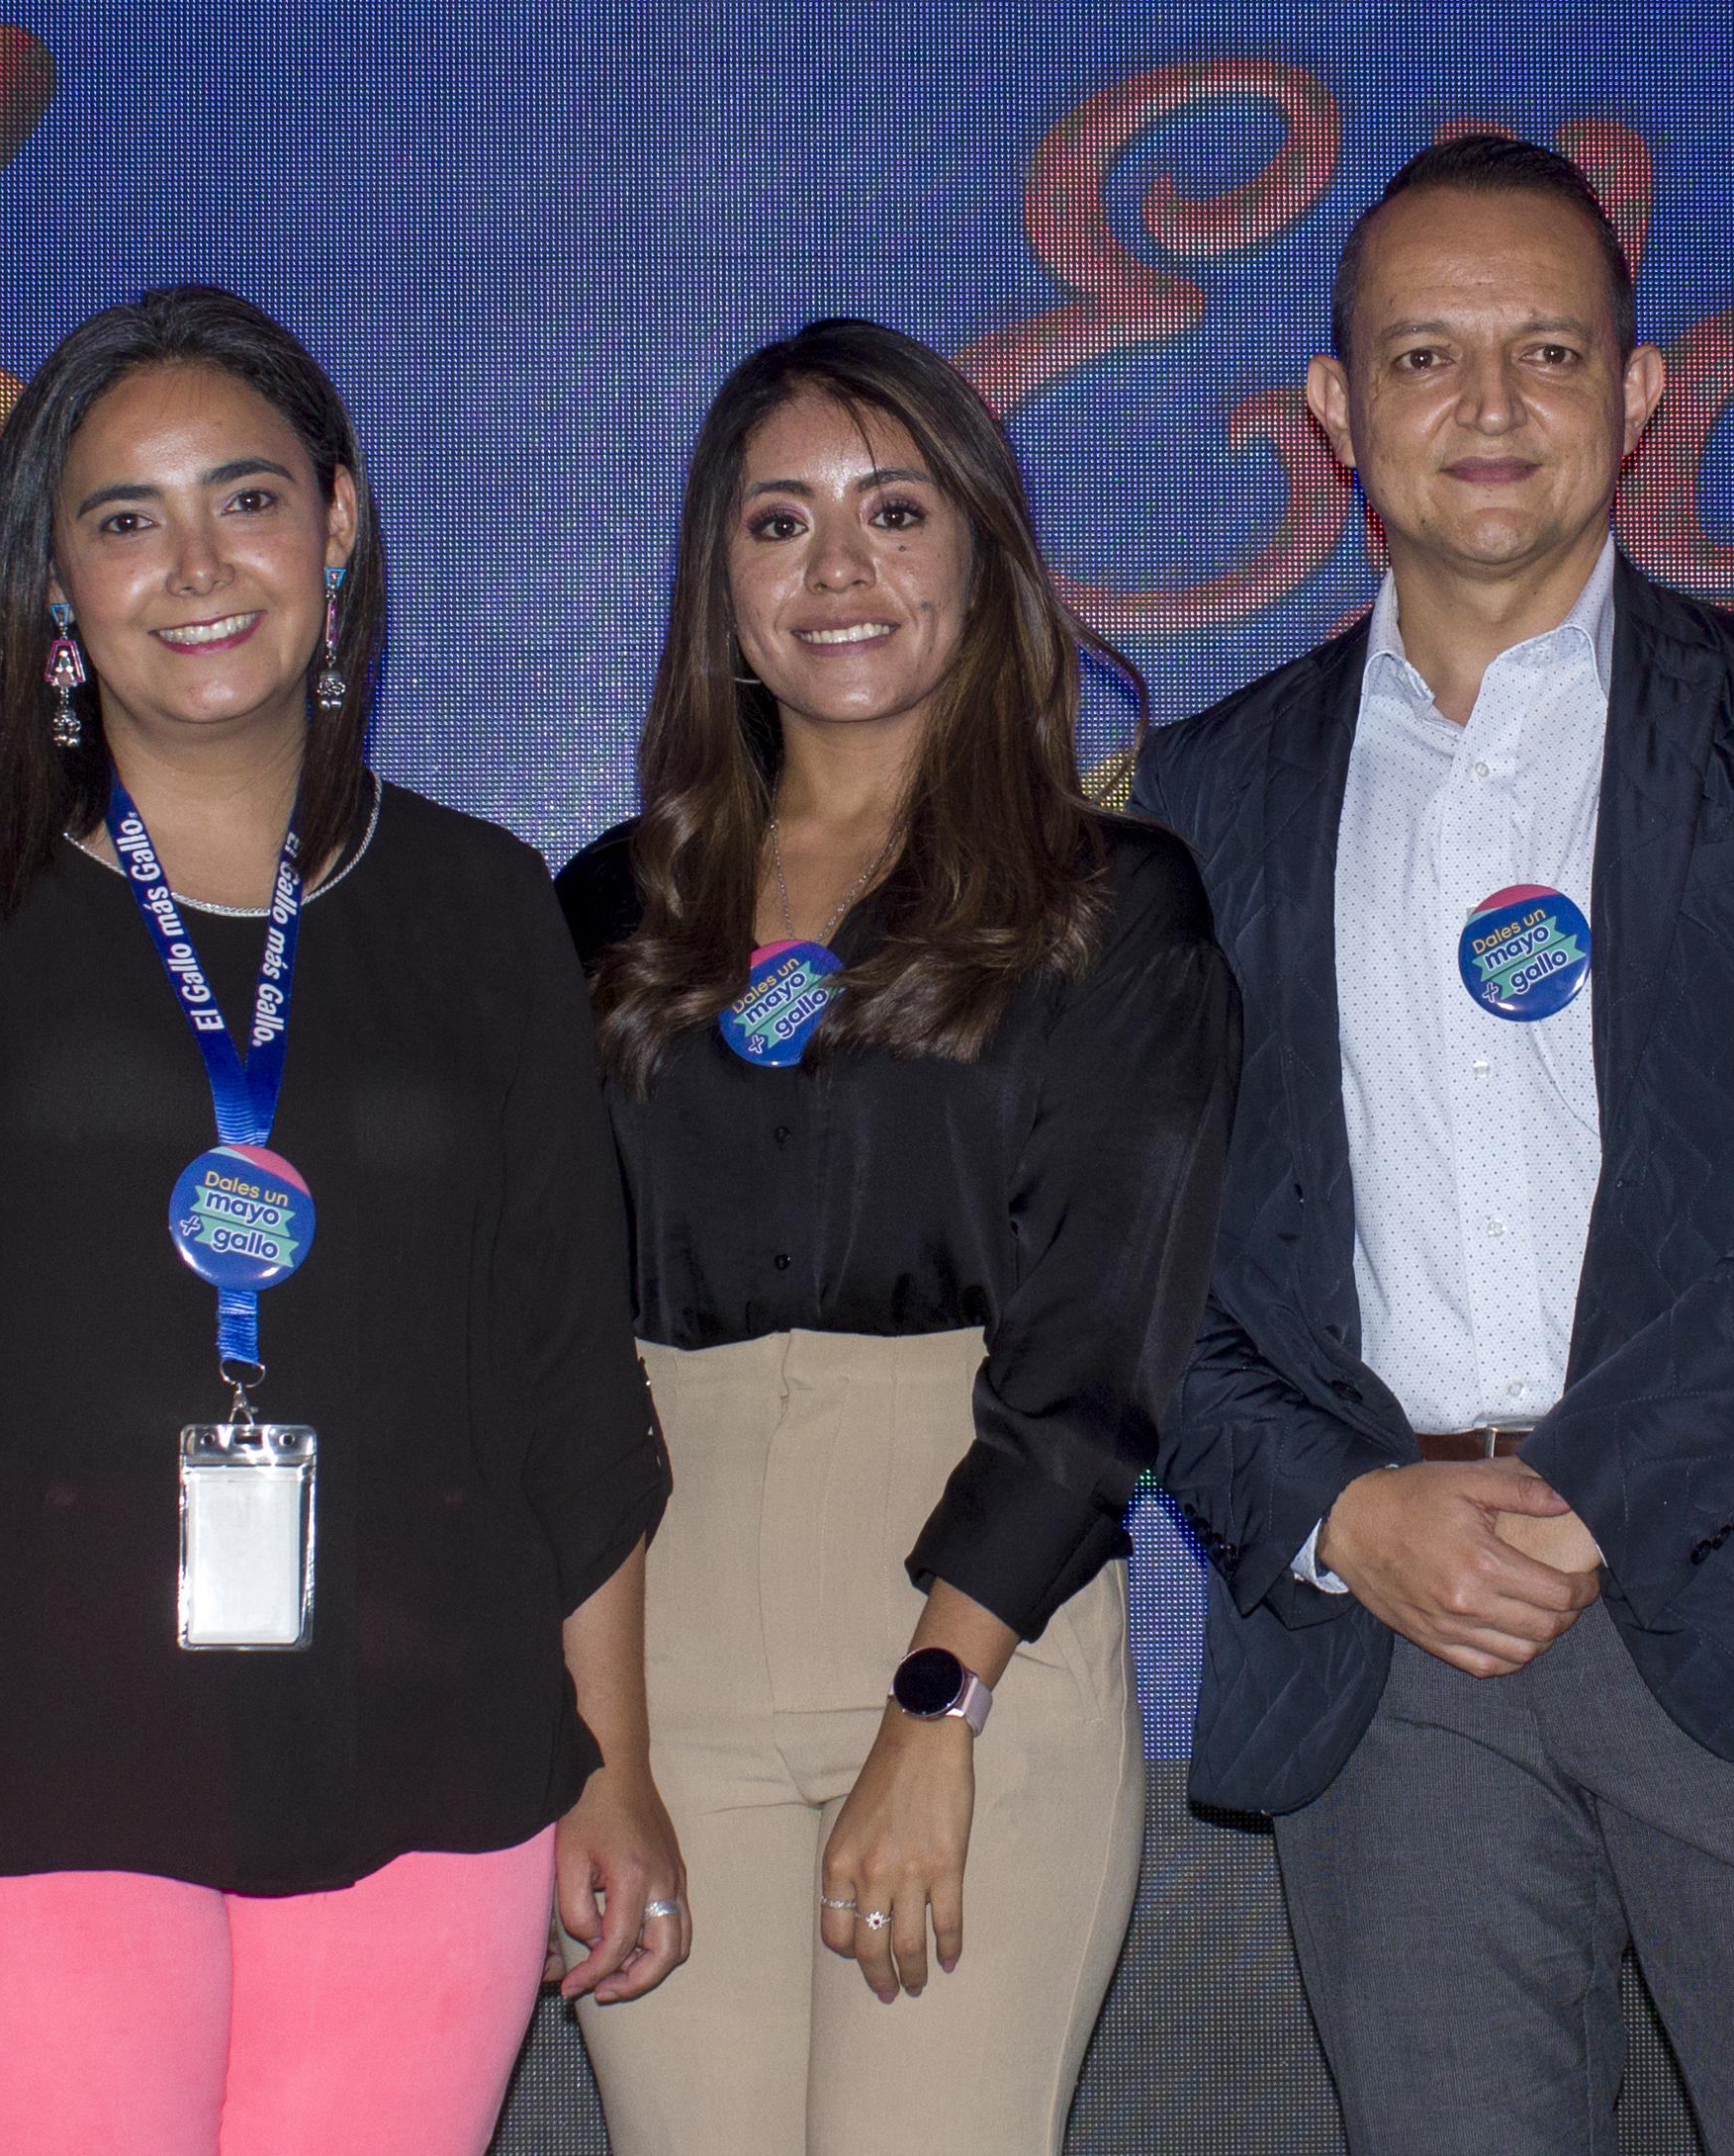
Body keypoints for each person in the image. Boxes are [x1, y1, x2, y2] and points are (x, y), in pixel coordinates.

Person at [0, 286, 684, 2156]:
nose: (193, 565)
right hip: (3, 1756)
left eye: (247, 499)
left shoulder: (479, 905)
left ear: (340, 525)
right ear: (52, 576)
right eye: (123, 518)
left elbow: (567, 1385)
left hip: (429, 1757)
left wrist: (605, 1764)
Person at [1141, 135, 1734, 2155]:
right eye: (1425, 357)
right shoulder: (1197, 793)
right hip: (1388, 1637)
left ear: (1635, 392)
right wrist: (1347, 1513)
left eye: (1546, 349)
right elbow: (1134, 1249)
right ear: (1339, 410)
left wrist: (1599, 1487)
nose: (1492, 405)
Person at [555, 318, 1235, 2156]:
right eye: (779, 524)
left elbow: (1100, 1355)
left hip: (968, 1654)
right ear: (723, 584)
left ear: (983, 555)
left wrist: (933, 1706)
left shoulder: (1112, 905)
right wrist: (597, 1755)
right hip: (662, 1668)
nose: (838, 567)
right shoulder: (608, 907)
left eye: (894, 509)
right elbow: (543, 1346)